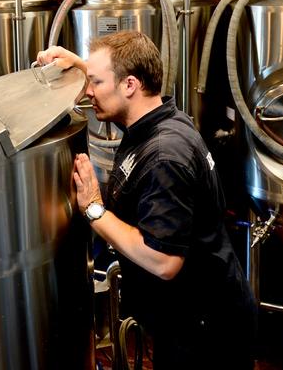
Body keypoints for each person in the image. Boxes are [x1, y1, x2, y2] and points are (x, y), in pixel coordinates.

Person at [37, 31, 257, 370]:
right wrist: (83, 66)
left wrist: (94, 209)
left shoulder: (164, 158)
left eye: (95, 82)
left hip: (205, 334)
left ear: (129, 85)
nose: (88, 91)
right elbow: (119, 83)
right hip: (190, 320)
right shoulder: (159, 118)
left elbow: (164, 261)